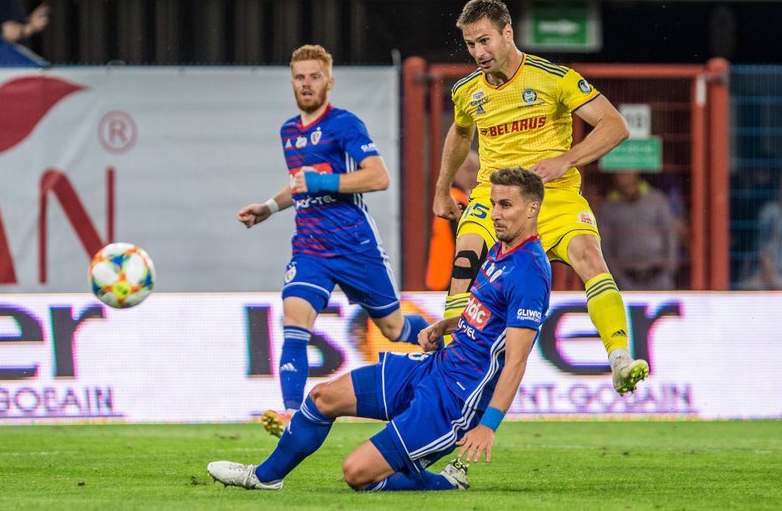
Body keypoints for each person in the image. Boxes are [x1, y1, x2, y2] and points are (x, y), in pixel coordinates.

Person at [210, 166, 551, 491]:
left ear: (532, 208)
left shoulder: (529, 272)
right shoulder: (499, 251)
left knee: (357, 474)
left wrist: (487, 426)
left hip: (455, 400)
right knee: (322, 398)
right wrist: (446, 325)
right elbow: (488, 318)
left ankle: (445, 481)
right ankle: (264, 477)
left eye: (506, 205)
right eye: (493, 204)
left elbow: (516, 359)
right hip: (436, 366)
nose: (495, 214)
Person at [432, 0, 648, 395]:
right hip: (493, 195)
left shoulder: (554, 78)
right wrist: (443, 188)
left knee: (590, 257)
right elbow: (461, 133)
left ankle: (619, 360)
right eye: (470, 45)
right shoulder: (467, 92)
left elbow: (614, 125)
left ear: (507, 33)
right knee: (465, 257)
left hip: (555, 197)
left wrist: (568, 159)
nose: (478, 52)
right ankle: (450, 370)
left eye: (485, 41)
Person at [237, 44, 432, 437]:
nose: (306, 84)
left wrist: (322, 182)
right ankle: (292, 415)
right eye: (299, 77)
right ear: (291, 81)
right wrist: (269, 207)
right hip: (310, 247)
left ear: (329, 81)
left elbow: (378, 177)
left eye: (314, 77)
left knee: (394, 330)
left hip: (355, 246)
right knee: (294, 322)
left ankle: (444, 340)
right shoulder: (289, 132)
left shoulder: (345, 124)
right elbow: (300, 186)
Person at [598, 172, 679, 290]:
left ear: (636, 173)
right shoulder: (609, 207)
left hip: (659, 276)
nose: (623, 176)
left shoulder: (656, 199)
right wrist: (616, 276)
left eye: (627, 171)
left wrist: (669, 270)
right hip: (625, 279)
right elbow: (604, 244)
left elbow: (670, 234)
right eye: (619, 173)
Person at [425, 150, 479, 291]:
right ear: (454, 172)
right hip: (450, 277)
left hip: (444, 276)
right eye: (468, 170)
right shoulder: (456, 201)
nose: (474, 175)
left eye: (477, 170)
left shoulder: (460, 198)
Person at [742, 172, 782, 290]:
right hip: (775, 276)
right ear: (781, 188)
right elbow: (764, 252)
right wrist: (773, 280)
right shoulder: (771, 213)